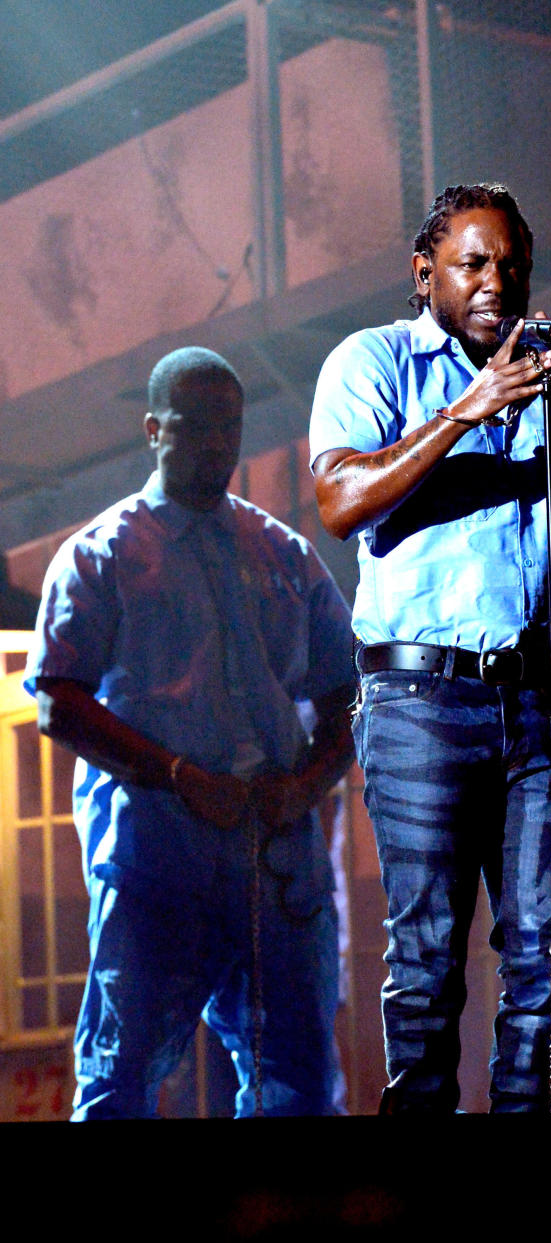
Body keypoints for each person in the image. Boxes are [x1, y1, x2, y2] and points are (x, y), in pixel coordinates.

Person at [310, 182, 551, 1112]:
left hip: (539, 707)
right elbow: (340, 499)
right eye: (472, 263)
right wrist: (471, 407)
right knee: (426, 958)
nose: (495, 280)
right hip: (421, 702)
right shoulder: (373, 360)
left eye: (511, 265)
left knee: (547, 957)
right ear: (425, 274)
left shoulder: (545, 373)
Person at [25, 346, 356, 1119]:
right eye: (195, 425)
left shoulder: (286, 554)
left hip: (278, 870)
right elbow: (58, 702)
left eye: (229, 426)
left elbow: (353, 696)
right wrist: (178, 774)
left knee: (302, 1088)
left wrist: (307, 783)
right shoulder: (101, 555)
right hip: (155, 870)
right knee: (121, 1085)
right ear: (153, 429)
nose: (217, 442)